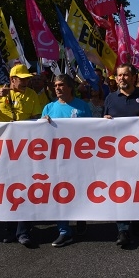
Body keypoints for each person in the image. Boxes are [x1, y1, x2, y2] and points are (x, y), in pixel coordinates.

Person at [0, 64, 42, 245]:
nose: (25, 82)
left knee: (24, 188)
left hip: (24, 150)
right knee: (7, 189)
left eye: (27, 79)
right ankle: (10, 228)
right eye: (22, 79)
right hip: (2, 150)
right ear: (12, 80)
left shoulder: (31, 95)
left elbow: (35, 120)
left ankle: (23, 231)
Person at [103, 63, 139, 247]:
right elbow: (103, 125)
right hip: (117, 155)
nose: (121, 78)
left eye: (125, 75)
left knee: (137, 189)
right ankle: (122, 229)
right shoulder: (110, 99)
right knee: (120, 189)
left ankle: (136, 219)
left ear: (133, 77)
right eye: (119, 75)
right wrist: (105, 122)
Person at [40, 74, 93, 247]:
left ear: (70, 87)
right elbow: (40, 135)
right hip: (57, 159)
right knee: (60, 193)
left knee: (78, 190)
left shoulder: (83, 107)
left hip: (79, 159)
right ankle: (64, 231)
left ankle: (80, 217)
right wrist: (42, 123)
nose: (57, 88)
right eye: (55, 85)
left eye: (61, 85)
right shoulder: (48, 107)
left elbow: (93, 131)